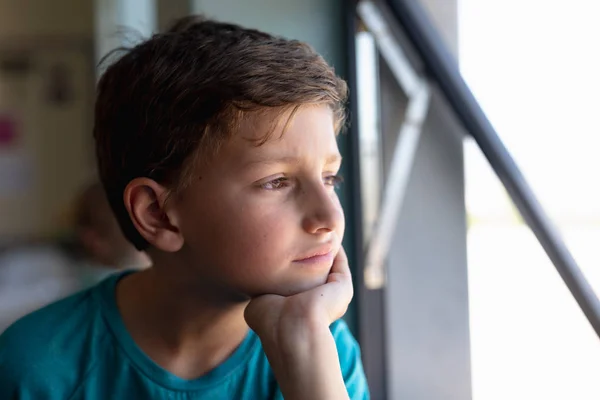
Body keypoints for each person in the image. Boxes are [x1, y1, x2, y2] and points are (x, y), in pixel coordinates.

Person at [0, 15, 369, 399]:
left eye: (330, 178)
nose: (329, 218)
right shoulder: (35, 367)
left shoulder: (320, 348)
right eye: (276, 182)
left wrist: (307, 347)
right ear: (158, 215)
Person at [0, 181, 148, 332]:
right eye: (133, 227)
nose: (150, 233)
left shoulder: (148, 289)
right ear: (93, 239)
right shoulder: (42, 277)